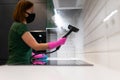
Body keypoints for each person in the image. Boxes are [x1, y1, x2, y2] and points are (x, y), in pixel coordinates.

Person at [7, 0, 66, 65]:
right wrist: (58, 43)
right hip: (17, 65)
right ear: (24, 13)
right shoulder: (20, 26)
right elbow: (36, 46)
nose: (33, 13)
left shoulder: (18, 25)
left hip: (20, 64)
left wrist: (32, 55)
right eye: (31, 11)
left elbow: (20, 46)